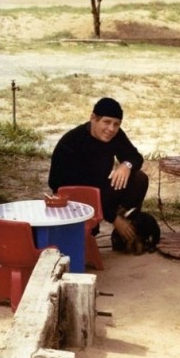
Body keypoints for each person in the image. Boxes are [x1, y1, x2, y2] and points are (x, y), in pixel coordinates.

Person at [47, 97, 149, 249]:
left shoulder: (115, 135)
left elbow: (135, 157)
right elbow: (63, 186)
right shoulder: (72, 142)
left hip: (99, 192)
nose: (111, 129)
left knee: (139, 179)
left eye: (116, 124)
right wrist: (113, 218)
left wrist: (126, 165)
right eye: (106, 122)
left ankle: (124, 236)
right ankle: (115, 226)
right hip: (72, 200)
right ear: (93, 118)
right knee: (85, 237)